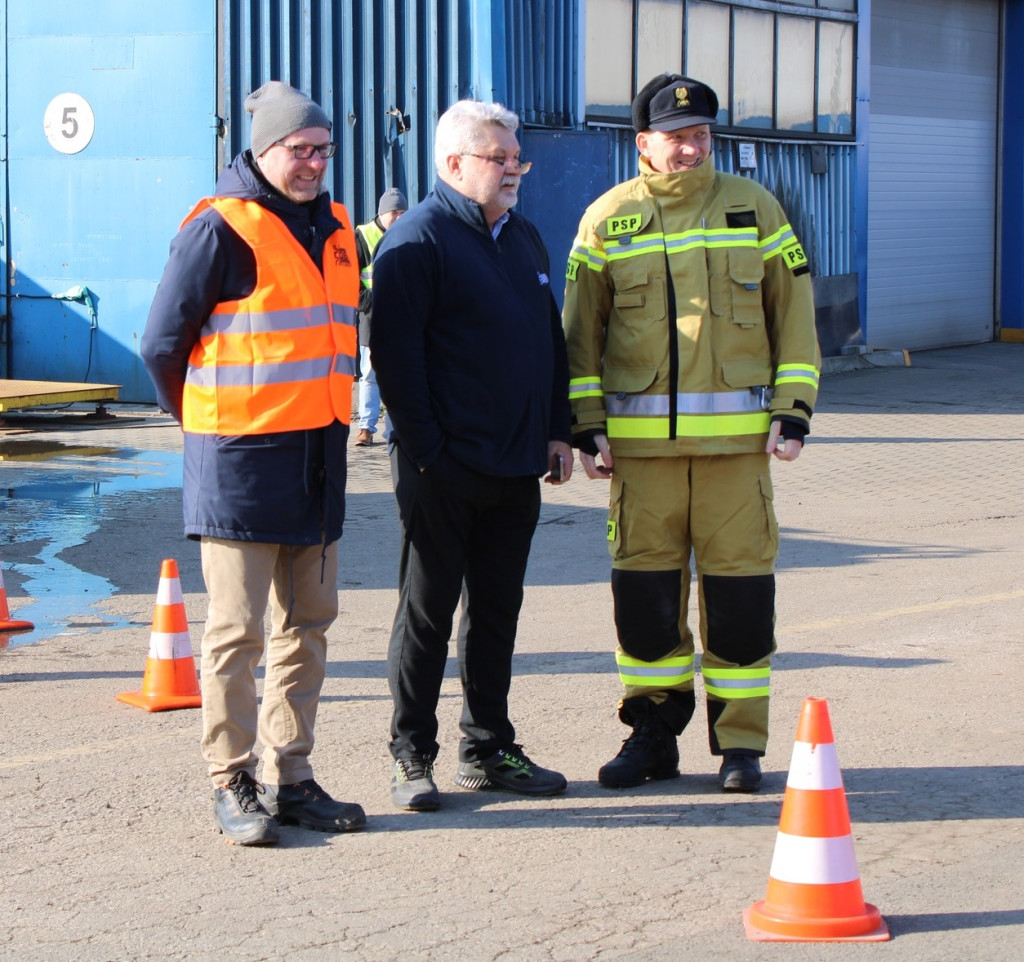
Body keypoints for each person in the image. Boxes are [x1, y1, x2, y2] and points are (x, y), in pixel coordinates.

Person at [562, 74, 821, 794]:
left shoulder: (755, 209)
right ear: (642, 143)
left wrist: (794, 408)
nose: (692, 147)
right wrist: (586, 427)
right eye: (677, 137)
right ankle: (652, 736)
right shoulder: (607, 220)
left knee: (740, 603)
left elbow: (793, 315)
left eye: (702, 134)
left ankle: (740, 746)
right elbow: (580, 337)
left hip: (738, 457)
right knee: (645, 604)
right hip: (641, 461)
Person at [140, 81, 366, 845]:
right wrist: (201, 423)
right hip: (239, 462)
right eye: (299, 150)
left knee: (308, 625)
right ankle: (231, 780)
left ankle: (291, 775)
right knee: (236, 633)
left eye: (323, 151)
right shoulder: (218, 229)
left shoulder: (338, 228)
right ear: (262, 151)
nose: (312, 164)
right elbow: (160, 345)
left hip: (320, 461)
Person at [370, 99, 574, 811]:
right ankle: (411, 754)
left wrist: (557, 429)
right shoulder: (416, 243)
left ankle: (487, 748)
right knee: (427, 614)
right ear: (453, 164)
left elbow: (550, 342)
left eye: (517, 156)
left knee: (496, 612)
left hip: (516, 463)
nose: (514, 168)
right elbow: (395, 362)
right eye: (500, 157)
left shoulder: (523, 240)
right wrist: (430, 454)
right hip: (443, 468)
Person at [352, 187, 408, 447]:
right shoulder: (362, 236)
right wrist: (370, 304)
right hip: (373, 316)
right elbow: (351, 281)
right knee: (369, 374)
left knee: (403, 373)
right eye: (394, 212)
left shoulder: (411, 233)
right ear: (382, 213)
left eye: (403, 212)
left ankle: (401, 426)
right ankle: (366, 427)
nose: (399, 217)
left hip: (403, 318)